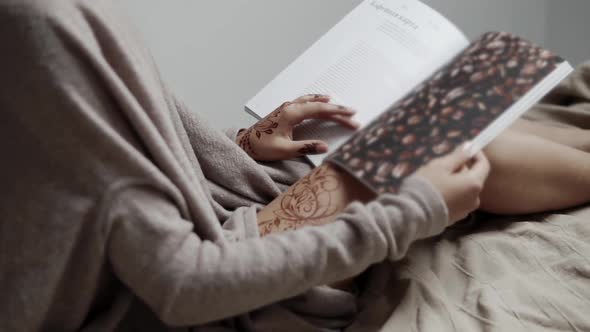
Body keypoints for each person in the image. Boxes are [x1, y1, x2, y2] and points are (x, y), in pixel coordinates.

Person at [1, 1, 589, 331]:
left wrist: (243, 147)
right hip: (214, 303)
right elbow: (181, 284)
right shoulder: (33, 28)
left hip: (225, 220)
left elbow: (96, 177)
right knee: (447, 134)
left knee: (452, 124)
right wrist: (414, 210)